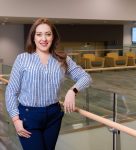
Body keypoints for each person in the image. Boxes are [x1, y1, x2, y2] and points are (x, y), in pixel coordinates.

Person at [5, 18, 91, 150]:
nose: (43, 39)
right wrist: (16, 120)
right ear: (33, 37)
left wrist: (72, 91)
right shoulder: (22, 59)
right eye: (39, 34)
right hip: (28, 116)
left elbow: (85, 77)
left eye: (48, 34)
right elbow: (11, 91)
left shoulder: (62, 59)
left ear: (53, 37)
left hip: (53, 116)